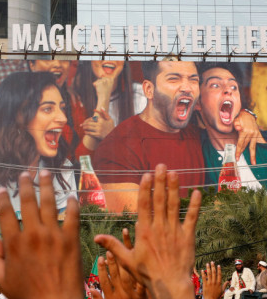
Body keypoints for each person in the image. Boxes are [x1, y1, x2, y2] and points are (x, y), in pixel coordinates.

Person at [93, 60, 263, 212]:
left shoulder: (197, 136)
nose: (186, 87)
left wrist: (246, 115)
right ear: (149, 89)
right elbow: (134, 226)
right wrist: (211, 211)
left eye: (193, 80)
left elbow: (222, 127)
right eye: (173, 79)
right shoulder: (118, 147)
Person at [0, 71, 77, 217]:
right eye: (48, 108)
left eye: (62, 108)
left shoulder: (62, 168)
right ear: (18, 116)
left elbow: (68, 230)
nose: (63, 118)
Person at [196, 63, 267, 189]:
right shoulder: (196, 151)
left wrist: (249, 114)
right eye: (215, 85)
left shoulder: (262, 140)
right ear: (198, 102)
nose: (228, 90)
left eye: (234, 87)